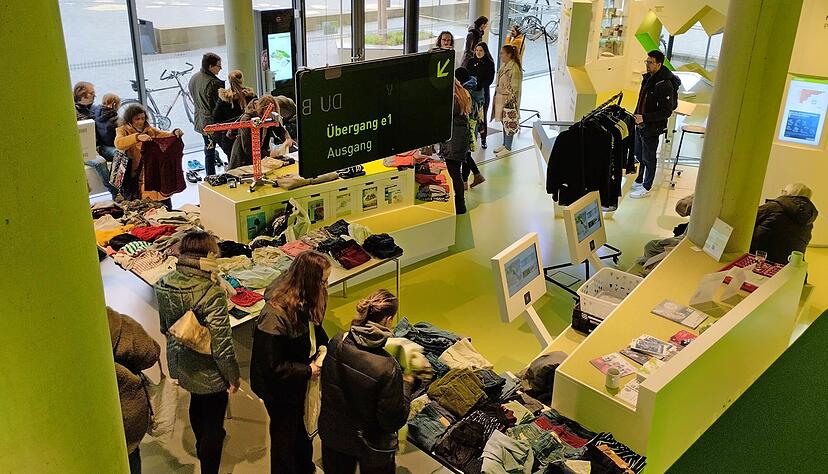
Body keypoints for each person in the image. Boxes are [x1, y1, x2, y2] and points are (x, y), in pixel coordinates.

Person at [154, 231, 240, 474]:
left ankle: (201, 444)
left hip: (180, 359)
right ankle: (208, 465)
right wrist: (232, 376)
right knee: (214, 419)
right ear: (209, 254)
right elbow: (222, 344)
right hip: (208, 367)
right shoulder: (211, 291)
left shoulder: (164, 283)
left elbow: (164, 327)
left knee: (196, 402)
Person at [251, 251, 331, 474]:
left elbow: (314, 331)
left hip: (296, 381)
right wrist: (308, 370)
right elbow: (272, 366)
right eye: (323, 281)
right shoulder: (275, 314)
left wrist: (325, 348)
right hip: (279, 389)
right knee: (284, 438)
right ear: (309, 280)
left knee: (300, 429)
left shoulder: (305, 300)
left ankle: (305, 467)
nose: (326, 286)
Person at [319, 289, 409, 474]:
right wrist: (407, 386)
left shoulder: (337, 341)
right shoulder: (388, 367)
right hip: (370, 443)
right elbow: (392, 420)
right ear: (387, 320)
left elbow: (328, 387)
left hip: (334, 434)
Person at [107, 306, 161, 474]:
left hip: (74, 439)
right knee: (130, 461)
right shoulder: (107, 321)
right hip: (124, 421)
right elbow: (150, 352)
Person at [630, 50, 681, 199]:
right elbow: (642, 100)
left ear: (658, 64)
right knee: (638, 154)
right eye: (646, 61)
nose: (647, 65)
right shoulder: (648, 78)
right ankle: (639, 180)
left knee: (649, 156)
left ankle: (647, 186)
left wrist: (644, 118)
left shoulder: (664, 84)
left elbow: (666, 111)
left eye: (650, 62)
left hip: (651, 127)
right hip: (640, 124)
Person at [115, 103, 184, 206]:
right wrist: (137, 137)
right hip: (134, 176)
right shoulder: (122, 130)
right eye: (137, 119)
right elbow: (119, 143)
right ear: (130, 120)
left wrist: (175, 133)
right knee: (143, 205)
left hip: (151, 172)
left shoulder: (149, 130)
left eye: (143, 118)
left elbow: (164, 135)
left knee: (162, 200)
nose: (141, 121)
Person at [751, 183, 818, 264]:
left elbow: (748, 221)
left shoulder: (772, 207)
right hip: (790, 266)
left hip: (760, 260)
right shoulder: (808, 222)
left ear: (788, 193)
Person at [228, 95, 294, 170]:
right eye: (268, 115)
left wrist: (287, 138)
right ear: (262, 110)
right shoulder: (247, 120)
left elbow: (280, 130)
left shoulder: (270, 112)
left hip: (261, 158)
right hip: (243, 160)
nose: (270, 118)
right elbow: (248, 149)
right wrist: (270, 154)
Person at [188, 52, 225, 176]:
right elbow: (218, 107)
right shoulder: (214, 83)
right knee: (227, 148)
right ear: (210, 66)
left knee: (209, 149)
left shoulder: (194, 78)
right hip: (212, 123)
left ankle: (210, 176)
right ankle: (214, 175)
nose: (221, 68)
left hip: (200, 119)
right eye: (219, 66)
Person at [440, 79, 473, 214]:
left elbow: (445, 116)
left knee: (454, 173)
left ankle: (460, 204)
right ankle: (460, 203)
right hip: (461, 137)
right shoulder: (464, 94)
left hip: (453, 139)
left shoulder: (453, 99)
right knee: (456, 172)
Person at [212, 69, 256, 158]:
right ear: (242, 80)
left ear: (229, 80)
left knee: (233, 164)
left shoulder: (224, 98)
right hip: (249, 136)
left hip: (229, 138)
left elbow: (216, 118)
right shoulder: (251, 96)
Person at [455, 67, 486, 189]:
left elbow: (468, 111)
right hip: (475, 125)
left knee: (465, 154)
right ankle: (476, 176)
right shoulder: (476, 88)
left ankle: (465, 182)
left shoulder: (467, 92)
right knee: (466, 153)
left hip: (468, 126)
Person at [492, 45, 523, 156]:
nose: (500, 55)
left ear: (509, 54)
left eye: (502, 53)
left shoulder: (514, 68)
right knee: (504, 122)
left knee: (509, 123)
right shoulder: (505, 66)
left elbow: (515, 89)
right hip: (501, 99)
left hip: (507, 101)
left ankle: (508, 147)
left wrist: (502, 90)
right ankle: (505, 144)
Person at [466, 42, 495, 149]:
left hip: (483, 93)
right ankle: (471, 138)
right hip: (470, 93)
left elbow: (490, 79)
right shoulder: (471, 61)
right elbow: (466, 75)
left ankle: (483, 139)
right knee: (471, 116)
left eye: (481, 50)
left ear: (485, 51)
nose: (478, 52)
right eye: (477, 50)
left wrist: (480, 85)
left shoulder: (489, 63)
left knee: (482, 116)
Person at [93, 93, 121, 160]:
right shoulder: (114, 120)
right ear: (114, 105)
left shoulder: (96, 113)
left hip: (101, 147)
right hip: (111, 148)